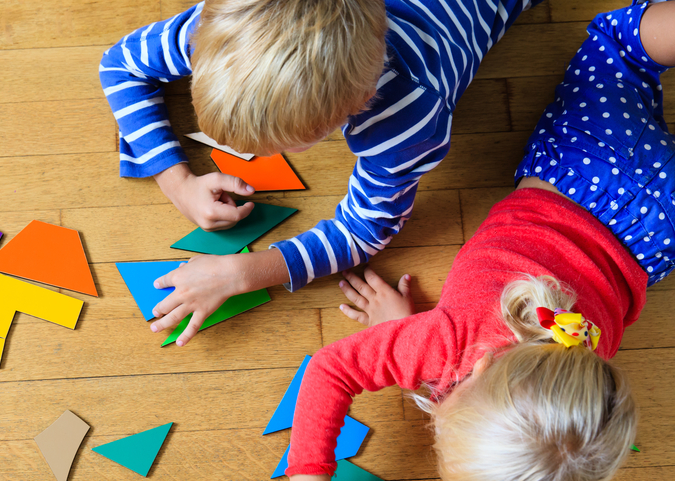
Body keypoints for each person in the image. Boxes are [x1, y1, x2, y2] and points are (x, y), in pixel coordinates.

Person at [275, 0, 675, 481]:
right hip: (588, 164)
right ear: (481, 365)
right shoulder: (448, 344)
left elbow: (339, 370)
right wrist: (310, 476)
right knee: (622, 42)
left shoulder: (581, 381)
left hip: (657, 231)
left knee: (623, 49)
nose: (435, 412)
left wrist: (404, 332)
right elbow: (330, 370)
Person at [100, 0, 546, 346]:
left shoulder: (408, 113)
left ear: (361, 101)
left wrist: (243, 274)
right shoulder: (226, 27)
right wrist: (175, 181)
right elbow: (118, 64)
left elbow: (365, 231)